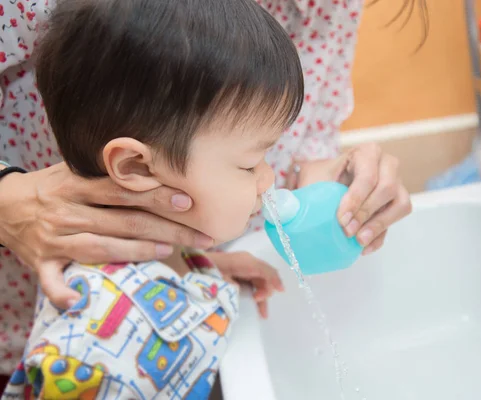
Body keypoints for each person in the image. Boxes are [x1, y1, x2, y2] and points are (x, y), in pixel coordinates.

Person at [0, 0, 417, 384]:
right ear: (136, 167)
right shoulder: (98, 344)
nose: (269, 179)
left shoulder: (172, 258)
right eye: (251, 164)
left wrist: (200, 273)